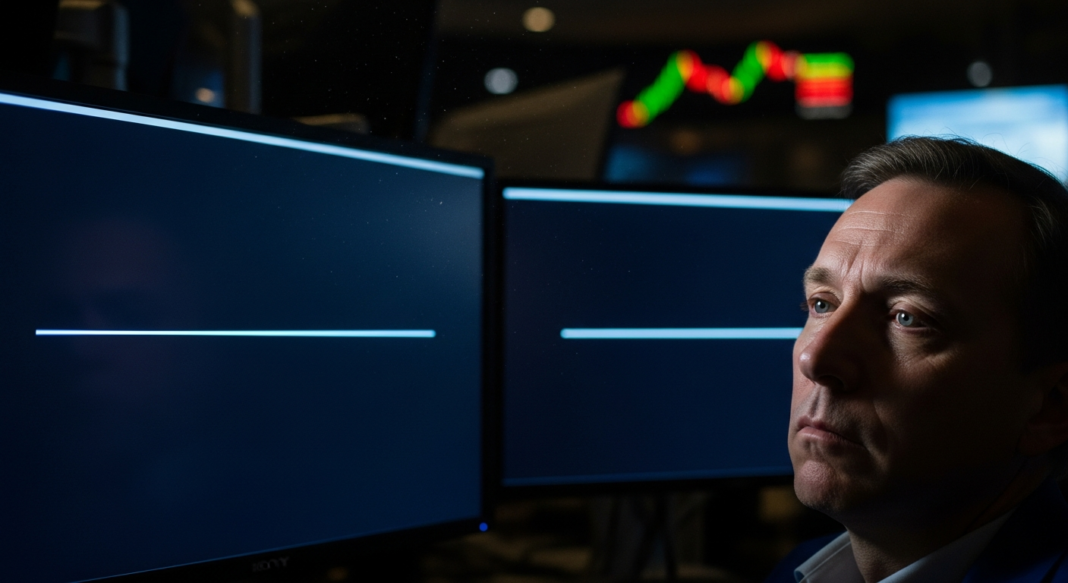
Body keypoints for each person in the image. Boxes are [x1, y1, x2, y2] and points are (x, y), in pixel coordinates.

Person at [766, 136, 1068, 582]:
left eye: (906, 317)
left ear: (1050, 406)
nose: (816, 357)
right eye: (822, 304)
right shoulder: (796, 569)